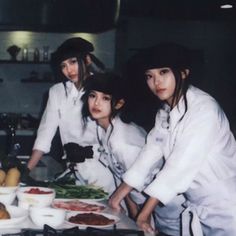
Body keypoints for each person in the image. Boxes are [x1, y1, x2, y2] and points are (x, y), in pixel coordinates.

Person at [109, 42, 236, 235]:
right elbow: (149, 154)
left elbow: (178, 167)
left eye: (163, 72)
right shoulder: (166, 111)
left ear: (183, 73)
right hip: (198, 206)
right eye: (150, 76)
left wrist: (143, 216)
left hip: (227, 207)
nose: (156, 82)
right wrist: (117, 197)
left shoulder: (204, 109)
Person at [25, 37, 106, 178]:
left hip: (102, 170)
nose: (68, 70)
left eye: (73, 62)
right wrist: (26, 171)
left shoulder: (102, 89)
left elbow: (110, 135)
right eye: (63, 65)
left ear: (87, 60)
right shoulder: (57, 92)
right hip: (72, 169)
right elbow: (45, 133)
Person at [78, 72, 147, 218]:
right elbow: (124, 177)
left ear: (119, 103)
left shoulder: (123, 141)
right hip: (139, 203)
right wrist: (133, 215)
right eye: (92, 96)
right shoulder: (104, 129)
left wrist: (141, 218)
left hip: (159, 208)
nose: (96, 103)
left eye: (105, 98)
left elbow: (141, 183)